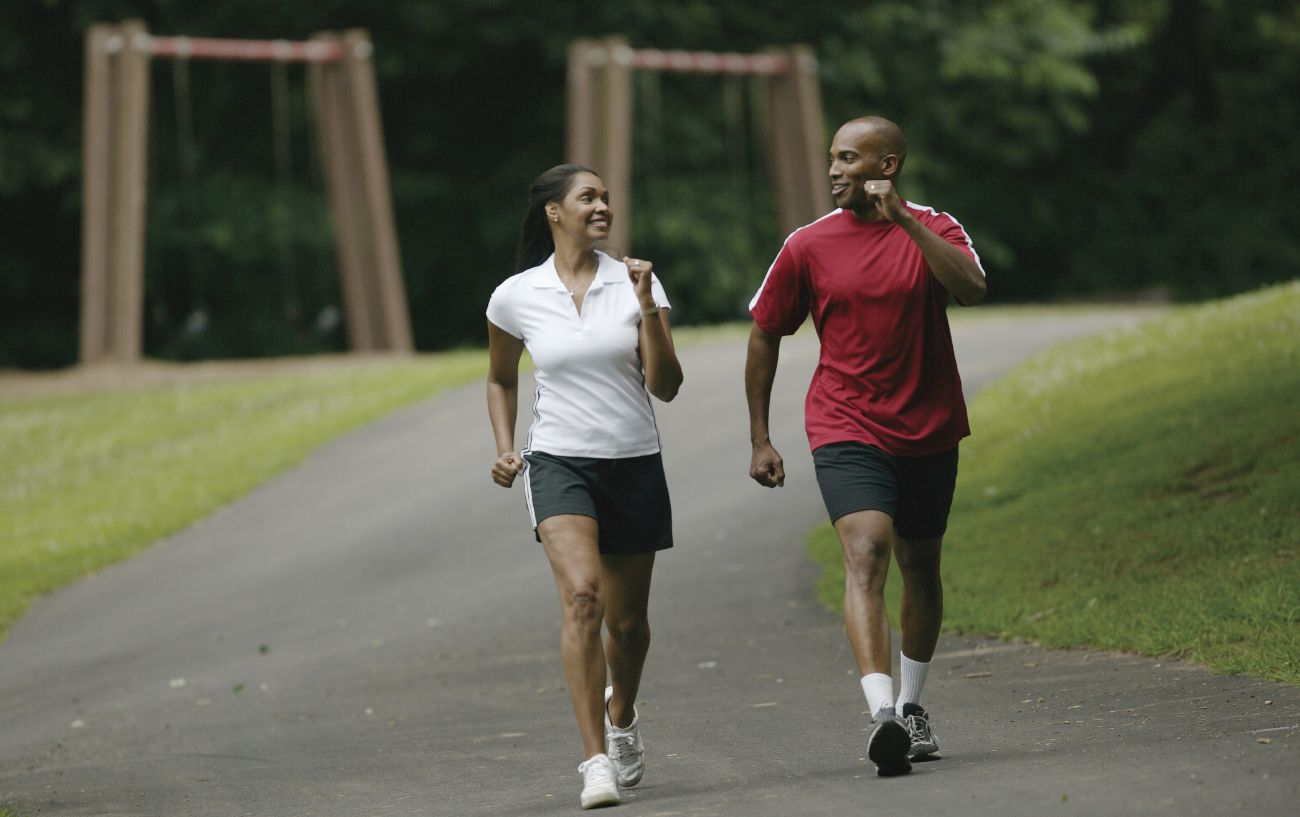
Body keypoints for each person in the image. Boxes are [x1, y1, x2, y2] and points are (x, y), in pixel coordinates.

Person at [744, 116, 987, 777]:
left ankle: (912, 706)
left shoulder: (937, 227)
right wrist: (761, 435)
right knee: (866, 549)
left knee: (922, 565)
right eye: (831, 157)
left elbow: (970, 287)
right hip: (845, 421)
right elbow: (766, 329)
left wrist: (904, 222)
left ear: (889, 164)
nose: (833, 170)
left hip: (929, 424)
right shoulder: (807, 244)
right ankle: (880, 711)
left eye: (848, 159)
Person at [485, 164, 684, 809]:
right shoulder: (516, 295)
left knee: (628, 628)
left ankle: (621, 716)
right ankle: (594, 760)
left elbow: (666, 385)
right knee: (582, 597)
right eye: (587, 197)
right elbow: (500, 377)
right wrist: (506, 446)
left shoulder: (634, 286)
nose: (602, 207)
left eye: (605, 198)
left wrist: (648, 301)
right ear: (553, 211)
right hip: (558, 463)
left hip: (633, 462)